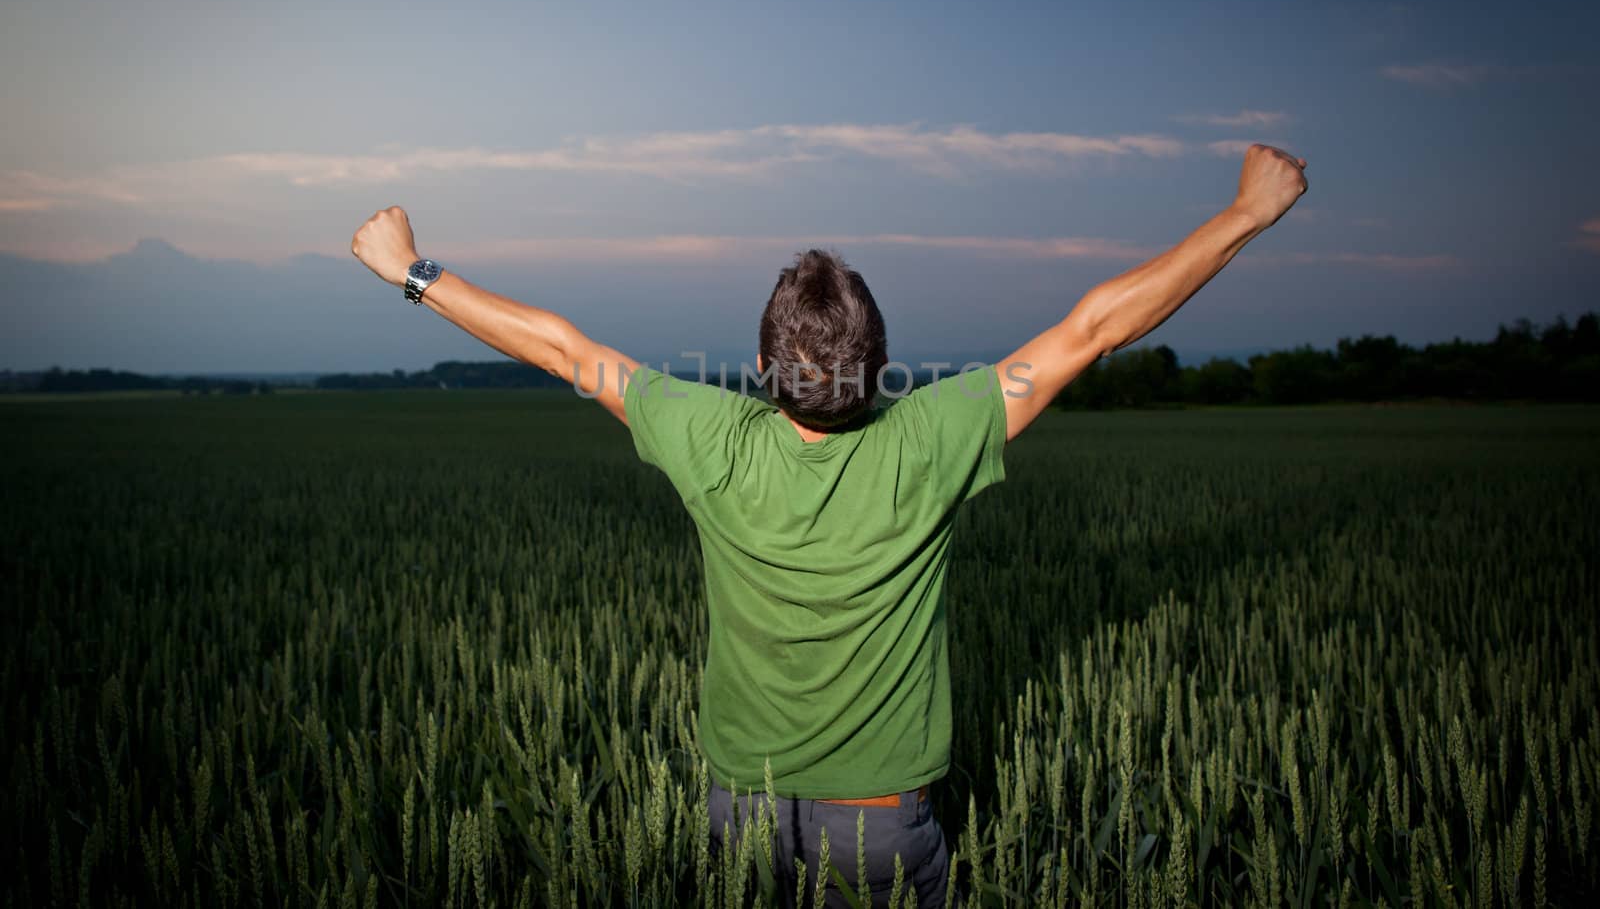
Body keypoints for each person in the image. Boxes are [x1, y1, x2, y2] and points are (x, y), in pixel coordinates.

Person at [351, 143, 1309, 906]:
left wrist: (412, 270)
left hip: (741, 814)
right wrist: (1247, 212)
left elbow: (565, 351)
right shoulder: (932, 438)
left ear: (765, 368)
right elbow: (1096, 326)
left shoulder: (710, 439)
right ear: (882, 364)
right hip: (882, 828)